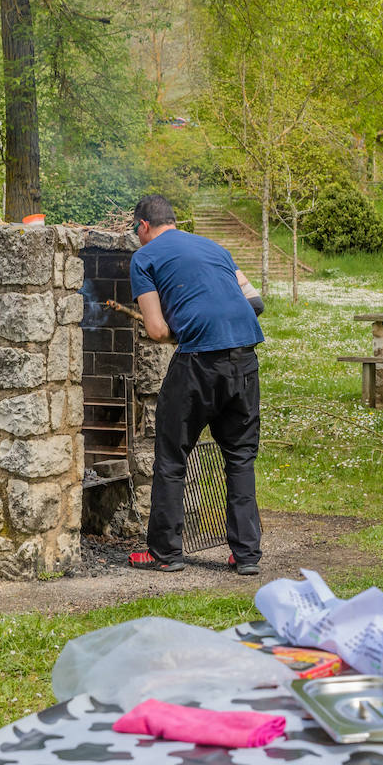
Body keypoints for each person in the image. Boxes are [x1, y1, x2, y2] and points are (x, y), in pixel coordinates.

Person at [127, 194, 266, 575]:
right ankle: (246, 556)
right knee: (240, 458)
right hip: (245, 359)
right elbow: (255, 302)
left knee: (172, 458)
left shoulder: (145, 258)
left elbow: (156, 331)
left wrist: (182, 325)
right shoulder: (214, 247)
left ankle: (166, 554)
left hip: (199, 364)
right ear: (172, 220)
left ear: (143, 226)